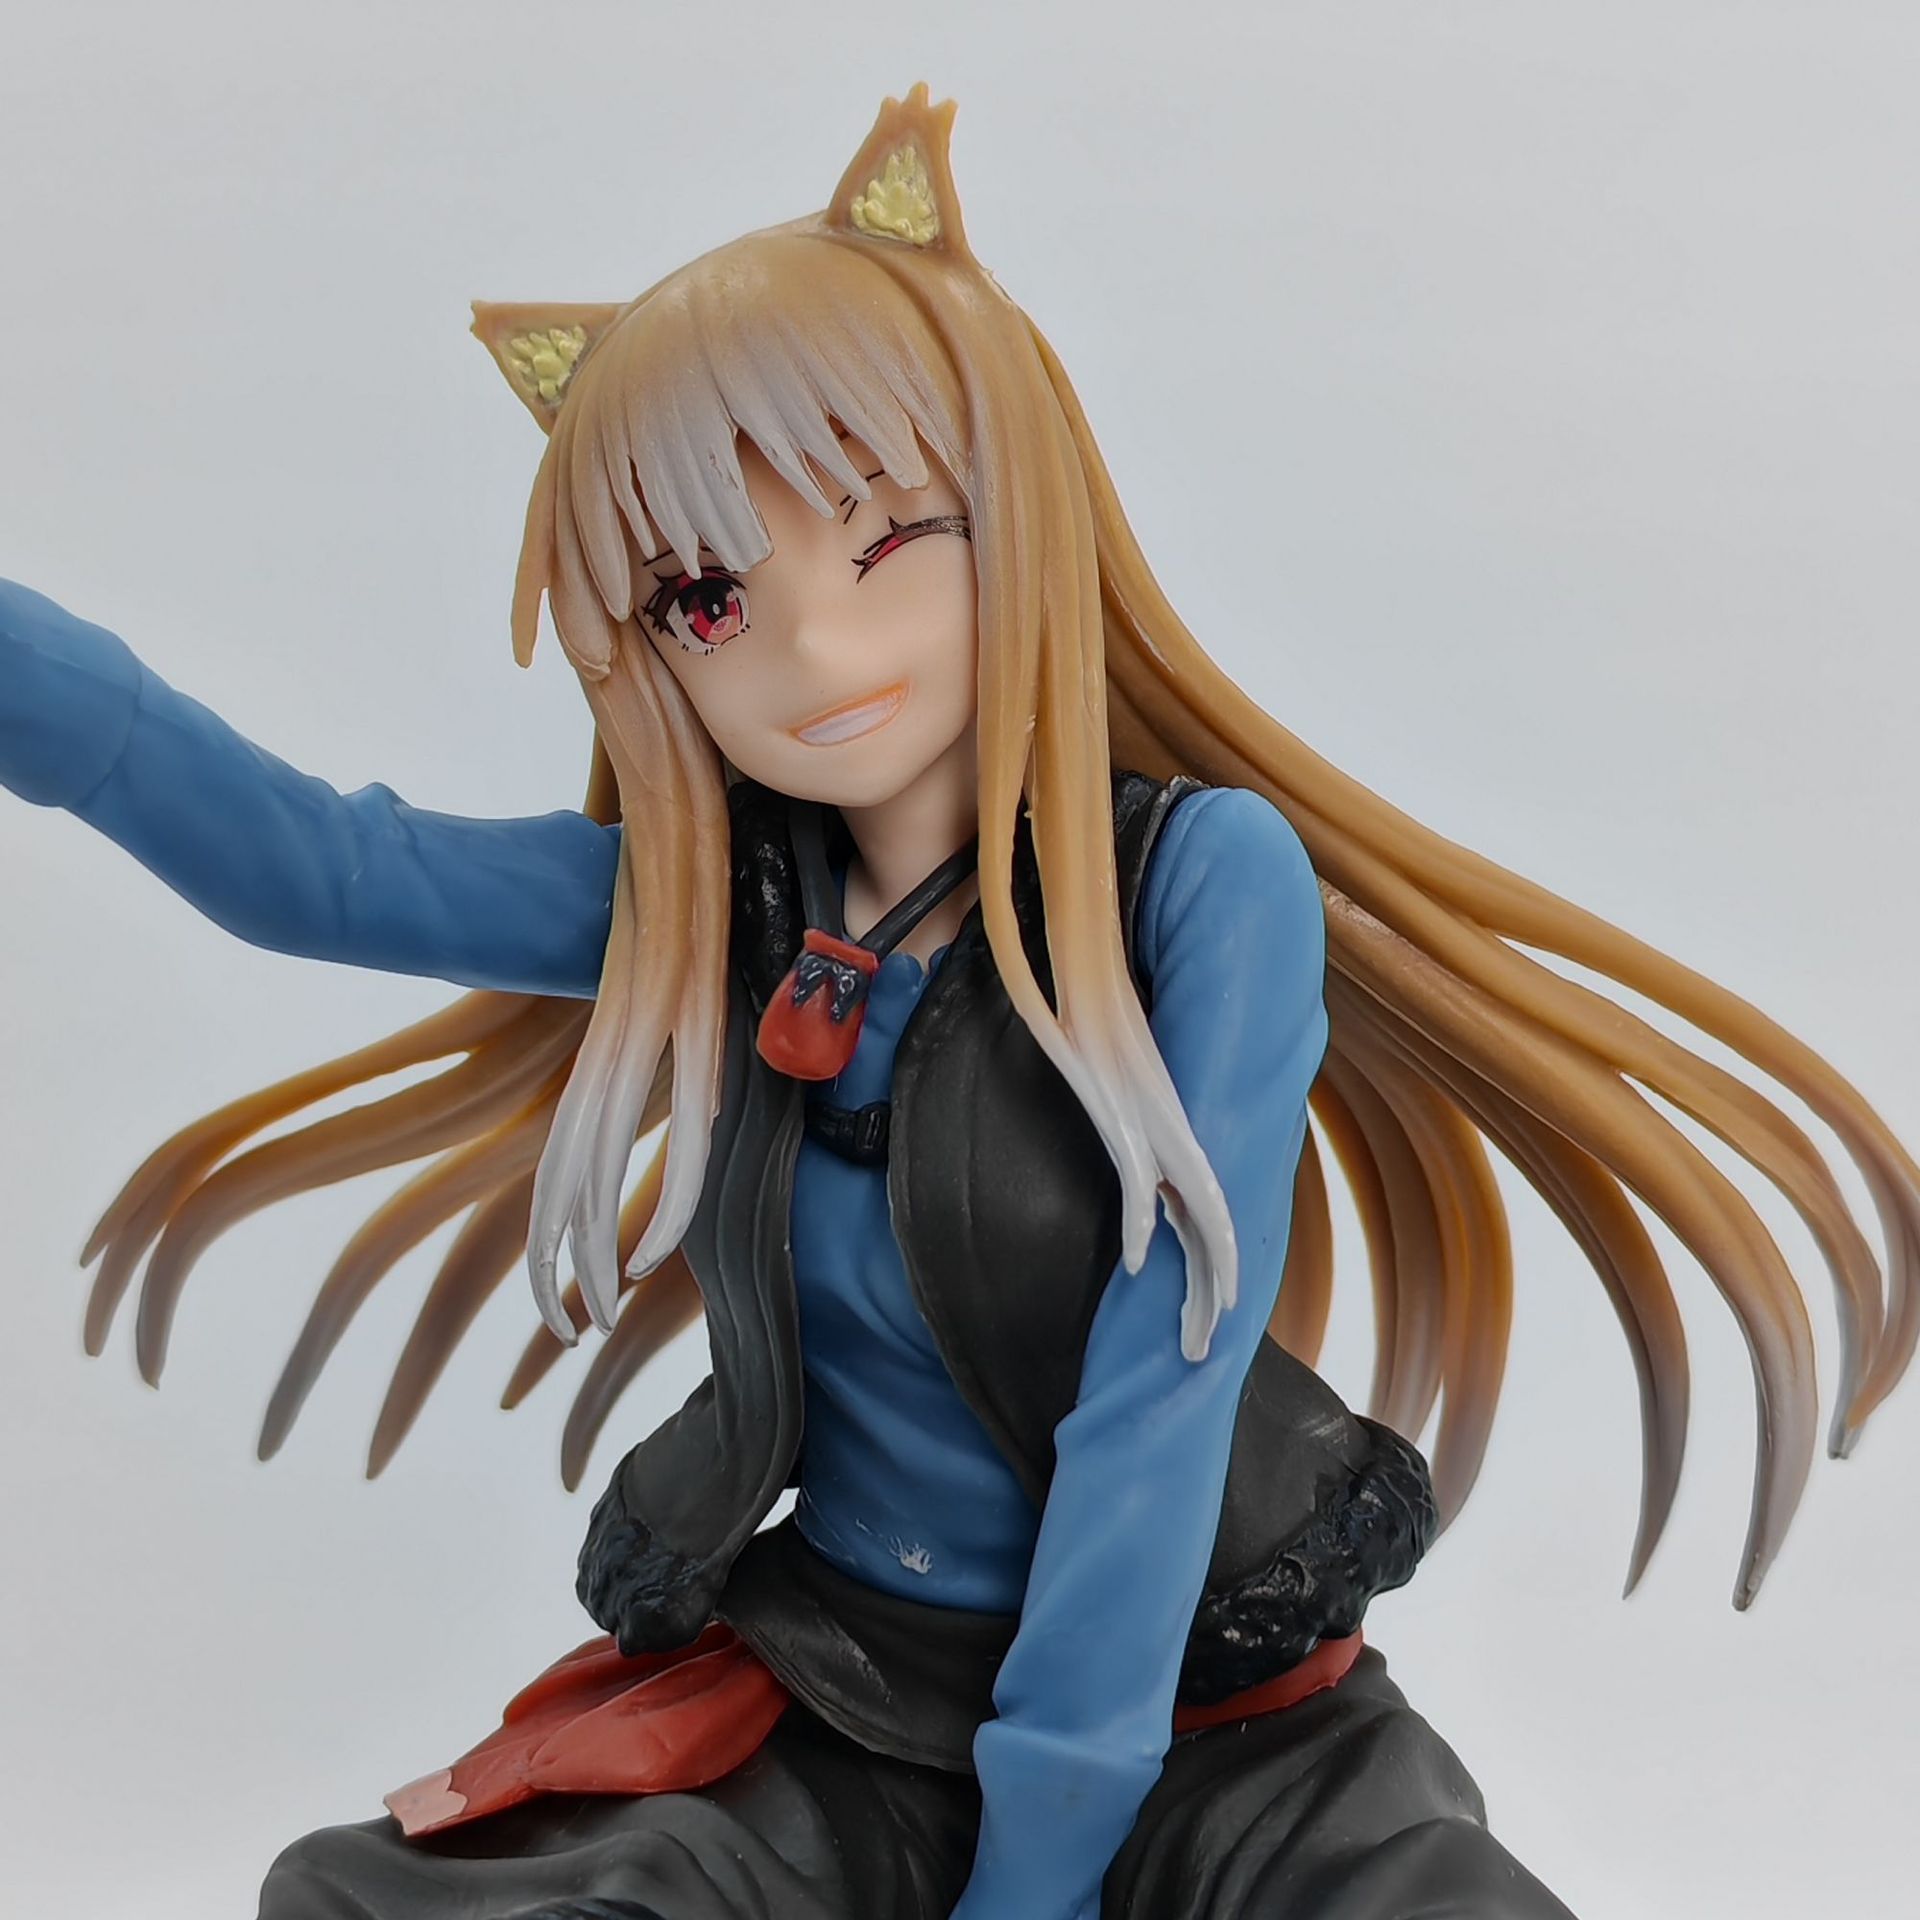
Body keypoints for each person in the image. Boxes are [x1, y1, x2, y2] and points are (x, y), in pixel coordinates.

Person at [2, 86, 1912, 1920]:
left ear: (1020, 507)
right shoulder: (716, 911)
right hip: (842, 1694)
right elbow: (328, 872)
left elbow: (1160, 1395)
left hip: (1219, 1718)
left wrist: (1045, 1860)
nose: (818, 642)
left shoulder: (1198, 887)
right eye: (710, 600)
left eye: (889, 533)